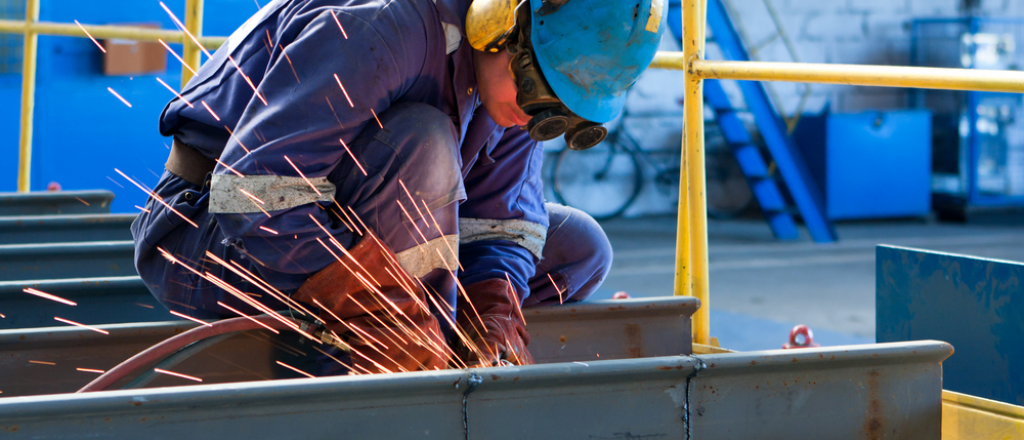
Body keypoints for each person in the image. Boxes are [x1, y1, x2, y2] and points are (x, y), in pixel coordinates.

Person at [133, 0, 665, 373]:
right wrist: (388, 311)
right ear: (499, 20)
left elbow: (504, 220)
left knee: (581, 247)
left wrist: (493, 303)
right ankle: (372, 368)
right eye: (536, 92)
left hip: (350, 225)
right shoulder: (390, 25)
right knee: (424, 144)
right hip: (208, 239)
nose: (531, 118)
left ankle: (432, 344)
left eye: (552, 114)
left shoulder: (513, 93)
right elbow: (252, 196)